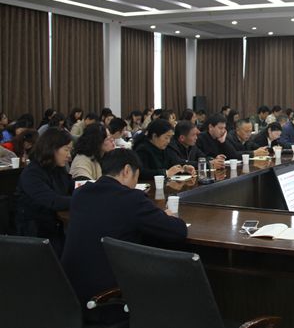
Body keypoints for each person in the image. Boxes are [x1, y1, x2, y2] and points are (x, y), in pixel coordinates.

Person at [61, 149, 187, 312]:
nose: (135, 184)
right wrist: (167, 216)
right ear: (127, 170)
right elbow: (178, 231)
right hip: (109, 297)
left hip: (71, 292)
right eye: (136, 177)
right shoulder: (131, 198)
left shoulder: (80, 194)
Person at [15, 128, 74, 255]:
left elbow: (71, 188)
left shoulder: (57, 168)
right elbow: (52, 201)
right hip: (36, 235)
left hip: (56, 227)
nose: (69, 156)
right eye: (66, 149)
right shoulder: (32, 174)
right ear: (52, 148)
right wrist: (82, 198)